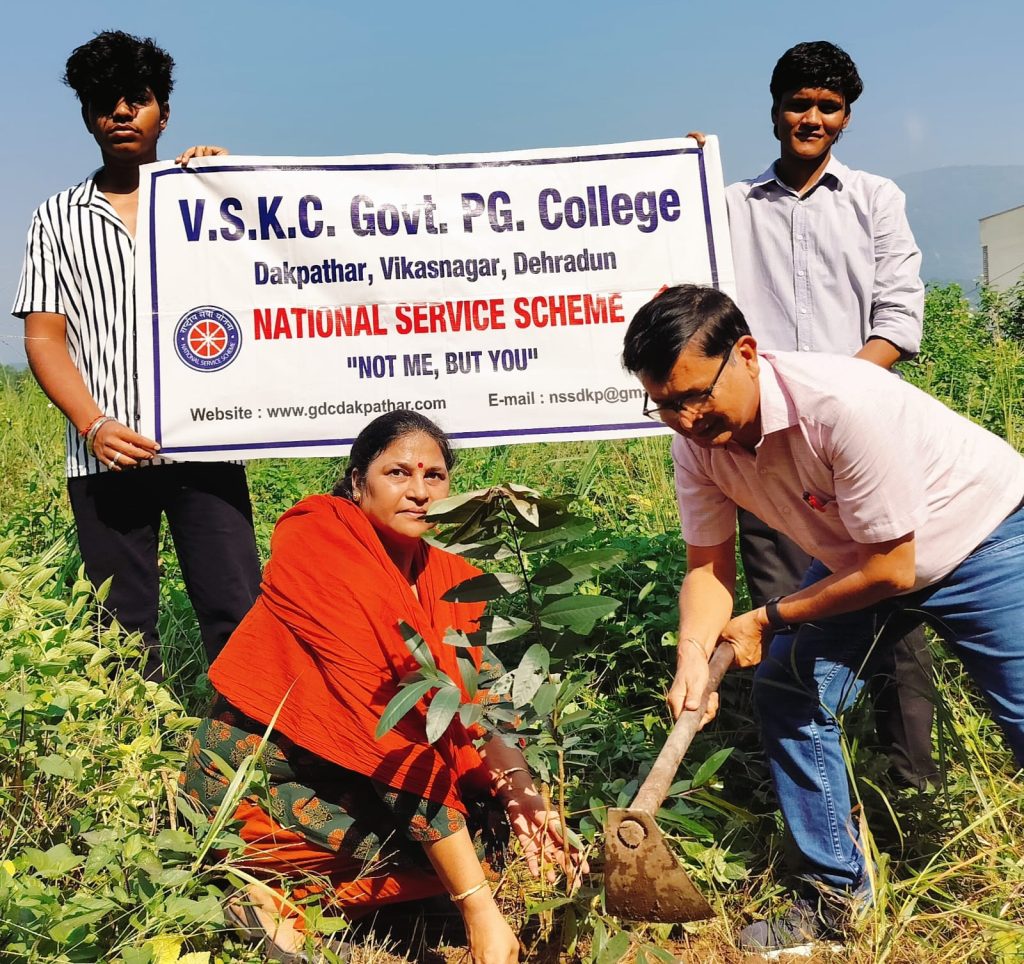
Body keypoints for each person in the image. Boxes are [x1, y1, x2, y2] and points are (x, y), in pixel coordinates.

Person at [621, 284, 1024, 957]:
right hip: (857, 554)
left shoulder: (840, 404)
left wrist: (767, 618)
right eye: (664, 404)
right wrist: (693, 651)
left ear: (746, 354)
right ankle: (836, 900)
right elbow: (708, 567)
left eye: (695, 396)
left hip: (980, 533)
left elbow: (893, 569)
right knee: (788, 689)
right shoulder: (697, 445)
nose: (685, 419)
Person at [183, 411, 586, 963]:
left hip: (353, 773)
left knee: (492, 828)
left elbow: (478, 696)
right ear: (357, 482)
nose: (419, 491)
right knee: (453, 856)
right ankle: (266, 895)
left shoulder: (445, 574)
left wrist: (523, 794)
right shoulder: (322, 553)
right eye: (398, 473)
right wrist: (478, 909)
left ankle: (372, 895)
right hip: (267, 781)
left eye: (434, 476)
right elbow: (396, 741)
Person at [690, 40, 934, 788]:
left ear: (847, 118)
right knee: (780, 613)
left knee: (894, 607)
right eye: (800, 104)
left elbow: (899, 321)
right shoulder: (726, 207)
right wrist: (680, 176)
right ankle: (798, 782)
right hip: (760, 448)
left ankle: (909, 785)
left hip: (862, 441)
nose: (813, 118)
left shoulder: (876, 200)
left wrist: (833, 401)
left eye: (829, 107)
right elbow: (685, 288)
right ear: (775, 111)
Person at [12, 30, 261, 681]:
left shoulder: (209, 201)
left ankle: (246, 738)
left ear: (163, 113)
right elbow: (44, 337)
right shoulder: (56, 218)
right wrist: (93, 425)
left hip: (207, 446)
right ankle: (134, 739)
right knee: (120, 629)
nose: (121, 113)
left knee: (237, 609)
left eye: (137, 100)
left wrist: (233, 182)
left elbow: (274, 279)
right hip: (106, 453)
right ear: (87, 115)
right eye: (105, 102)